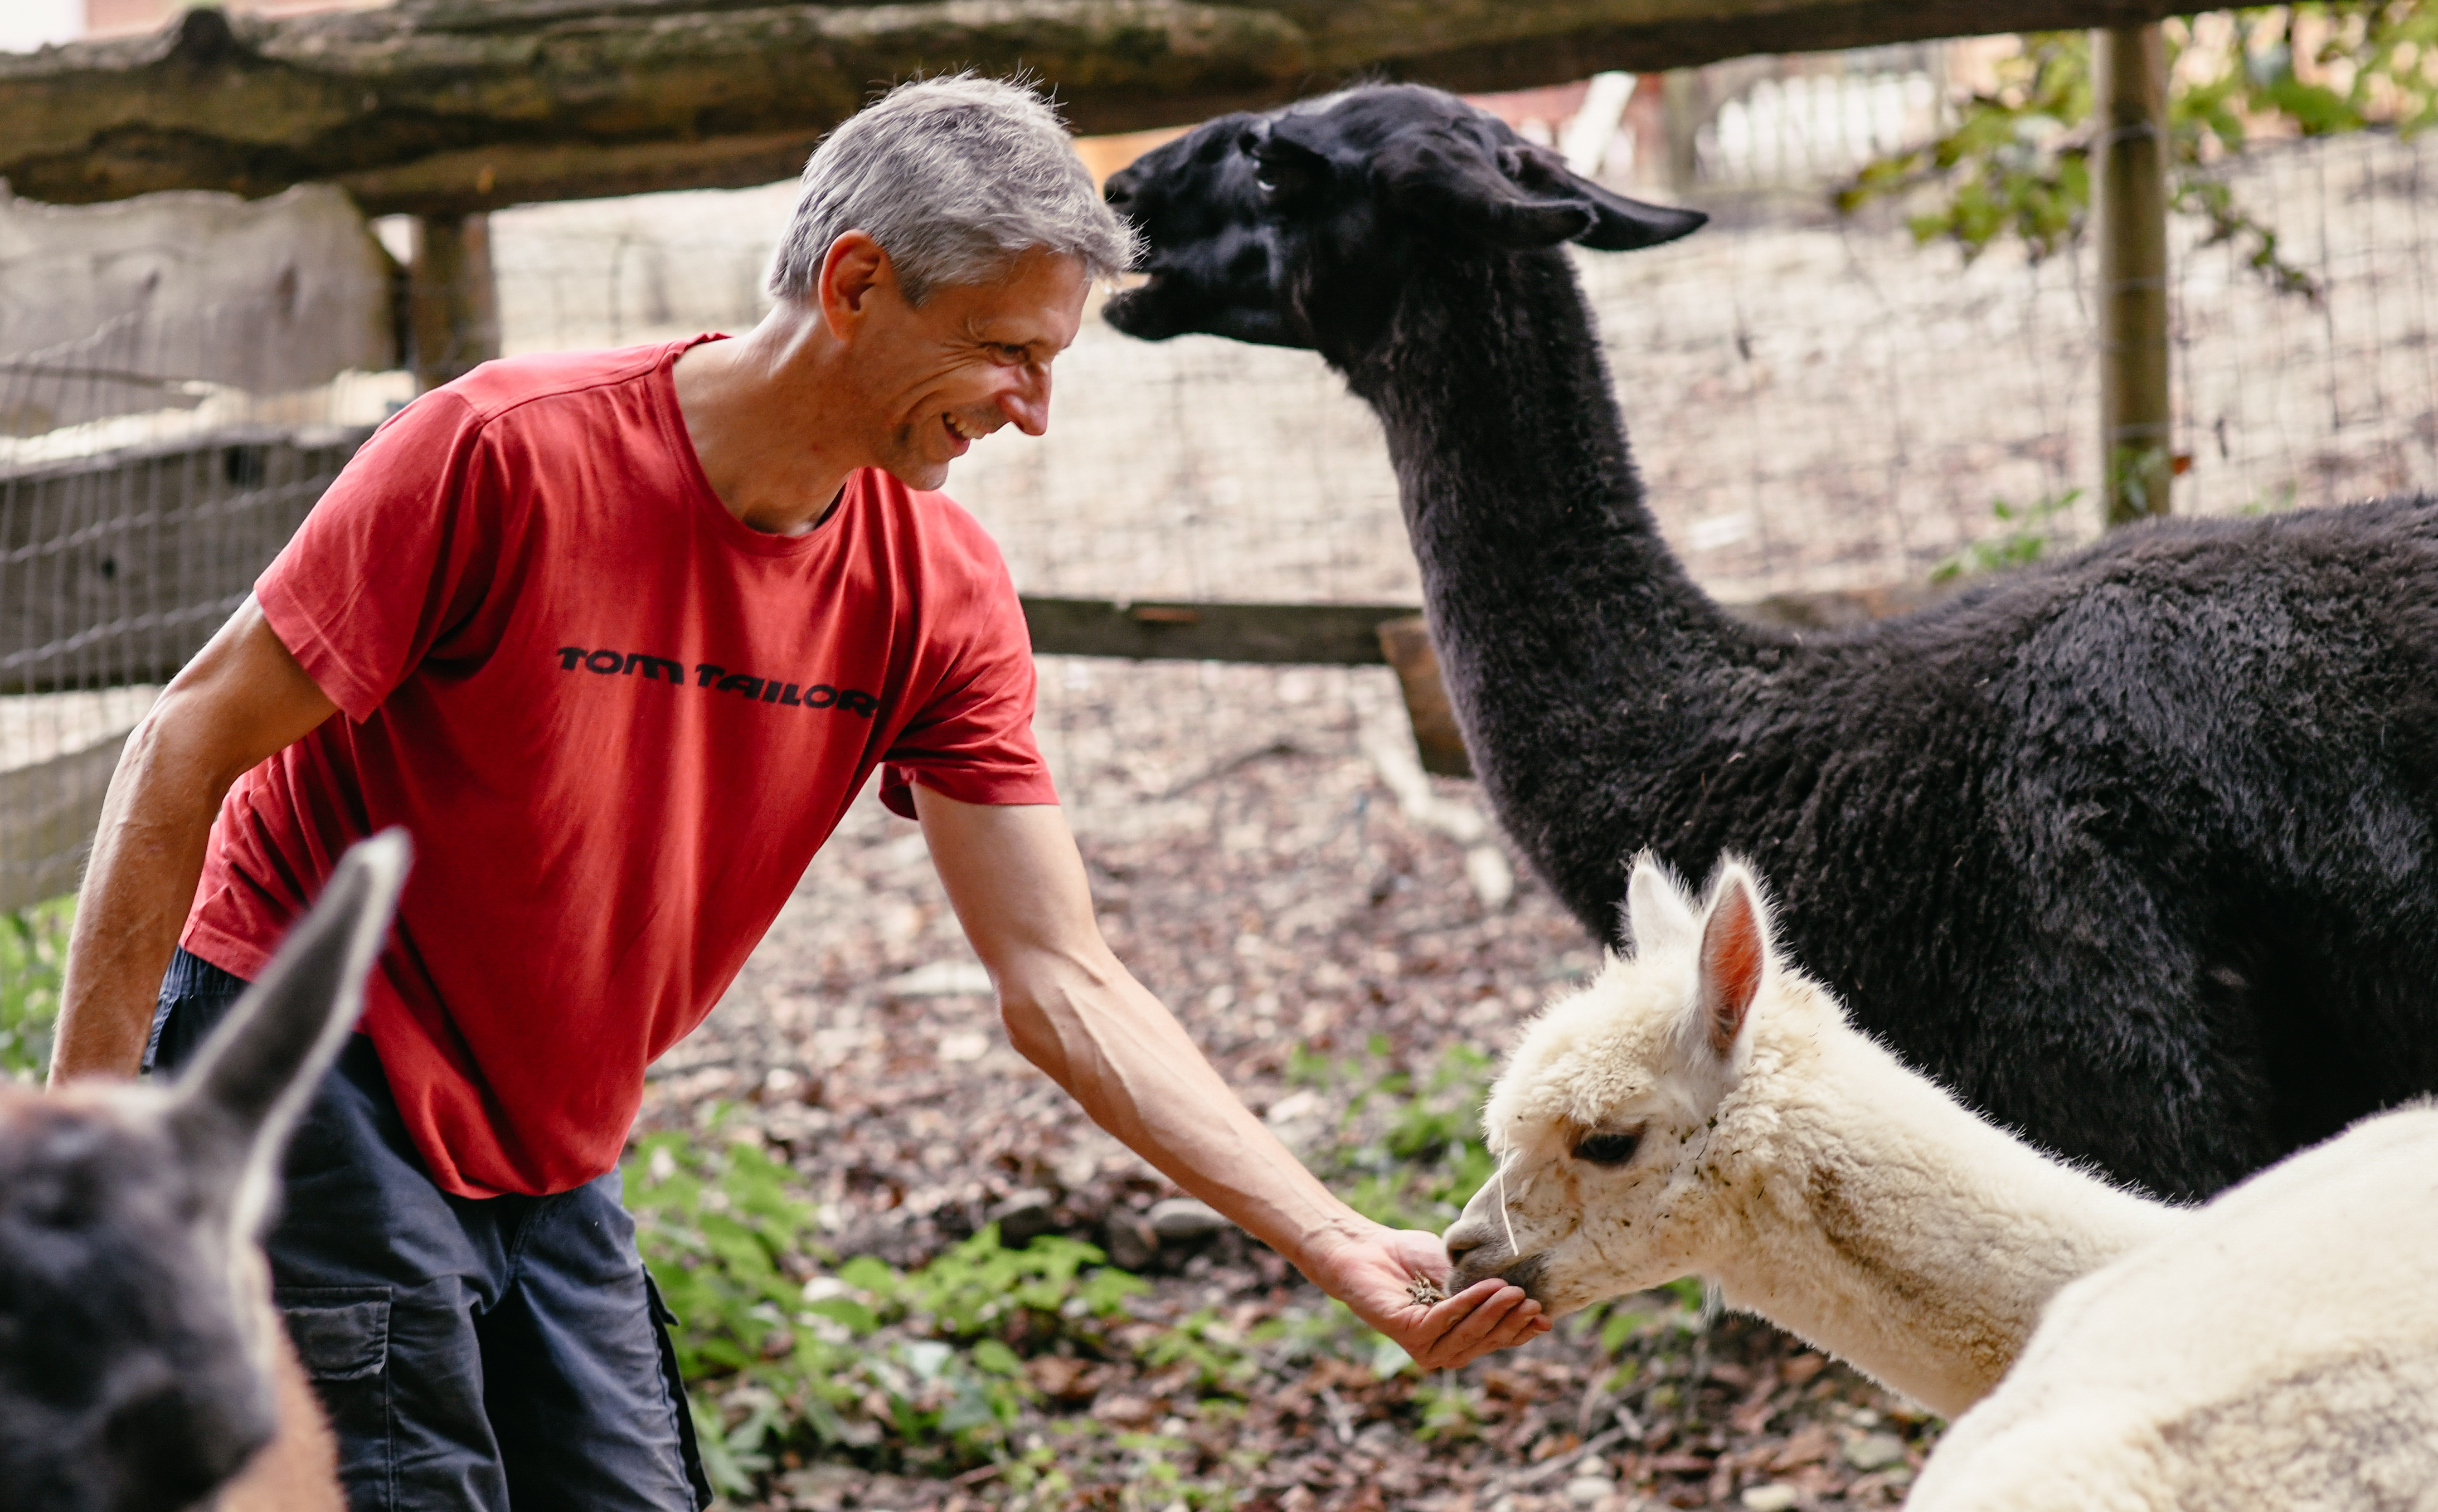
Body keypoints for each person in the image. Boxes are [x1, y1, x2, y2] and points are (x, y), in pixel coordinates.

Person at [48, 75, 1549, 1511]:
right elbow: (182, 746)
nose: (1032, 410)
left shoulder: (939, 589)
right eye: (1005, 353)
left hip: (549, 1129)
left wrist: (1335, 1233)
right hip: (311, 1056)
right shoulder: (499, 456)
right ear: (852, 287)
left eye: (1053, 361)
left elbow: (1063, 976)